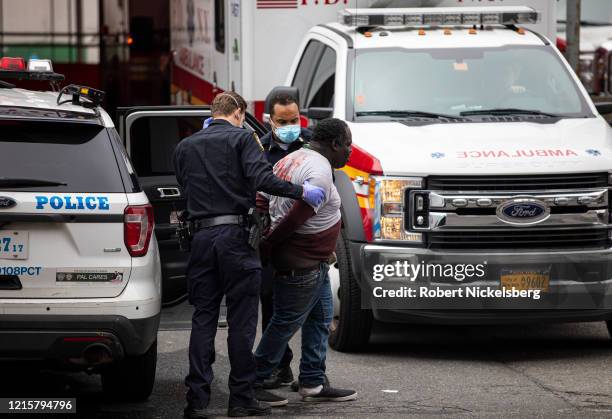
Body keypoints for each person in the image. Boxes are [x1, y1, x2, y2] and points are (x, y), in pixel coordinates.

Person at [174, 91, 326, 418]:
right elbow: (262, 180)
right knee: (242, 323)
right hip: (235, 239)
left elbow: (184, 192)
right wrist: (303, 191)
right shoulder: (244, 139)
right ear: (240, 113)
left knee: (203, 319)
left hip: (201, 240)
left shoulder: (185, 146)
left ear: (212, 113)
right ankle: (241, 399)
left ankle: (197, 401)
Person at [254, 118, 358, 404]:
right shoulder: (320, 171)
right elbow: (296, 216)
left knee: (321, 319)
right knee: (285, 323)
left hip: (316, 263)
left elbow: (261, 197)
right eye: (347, 144)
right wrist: (268, 244)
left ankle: (313, 382)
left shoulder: (292, 158)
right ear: (335, 144)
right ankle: (252, 380)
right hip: (301, 264)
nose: (349, 151)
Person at [258, 91, 312, 390]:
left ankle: (313, 372)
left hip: (305, 233)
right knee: (270, 301)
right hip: (272, 236)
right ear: (270, 120)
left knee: (314, 307)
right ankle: (280, 367)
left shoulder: (310, 144)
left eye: (295, 119)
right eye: (283, 121)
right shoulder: (258, 149)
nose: (291, 126)